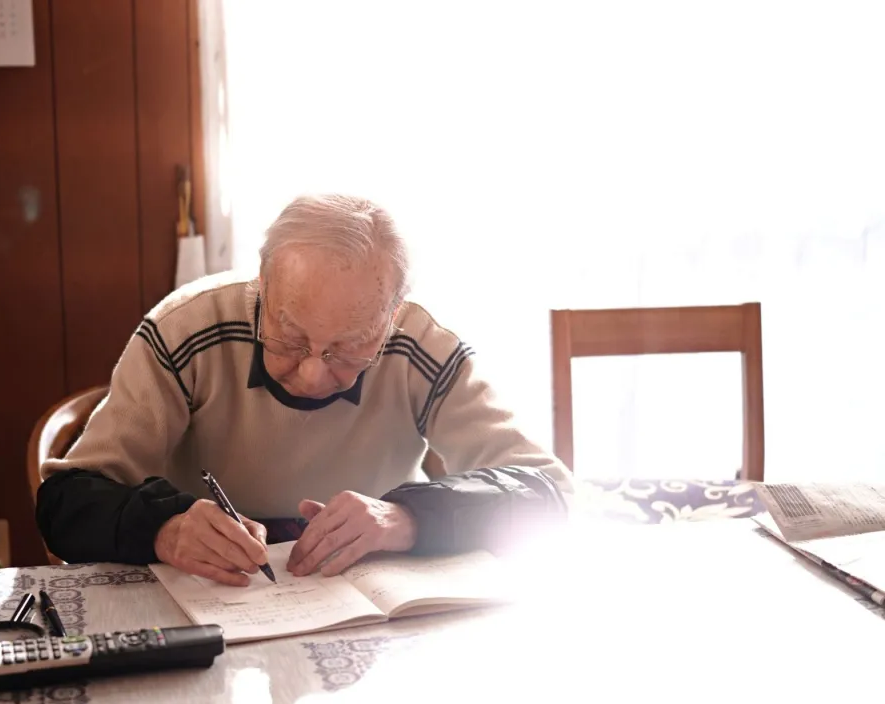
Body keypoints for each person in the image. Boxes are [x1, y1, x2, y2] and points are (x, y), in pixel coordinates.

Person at [37, 194, 572, 586]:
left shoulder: (423, 347)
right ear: (263, 285)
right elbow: (66, 502)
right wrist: (166, 527)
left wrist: (407, 517)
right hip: (210, 606)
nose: (313, 375)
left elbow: (551, 492)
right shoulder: (186, 331)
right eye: (290, 338)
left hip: (373, 613)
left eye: (349, 348)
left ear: (392, 318)